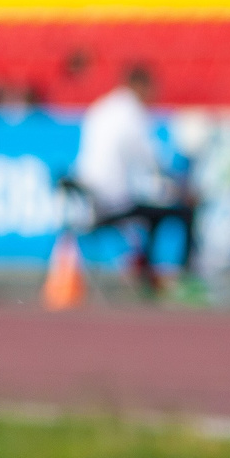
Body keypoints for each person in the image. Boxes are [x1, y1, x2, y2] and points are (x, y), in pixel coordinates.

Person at [73, 63, 201, 293]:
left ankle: (144, 271)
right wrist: (181, 188)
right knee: (181, 212)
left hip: (86, 198)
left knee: (152, 213)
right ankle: (181, 279)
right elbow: (152, 159)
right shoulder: (131, 112)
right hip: (111, 200)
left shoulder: (102, 107)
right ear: (141, 86)